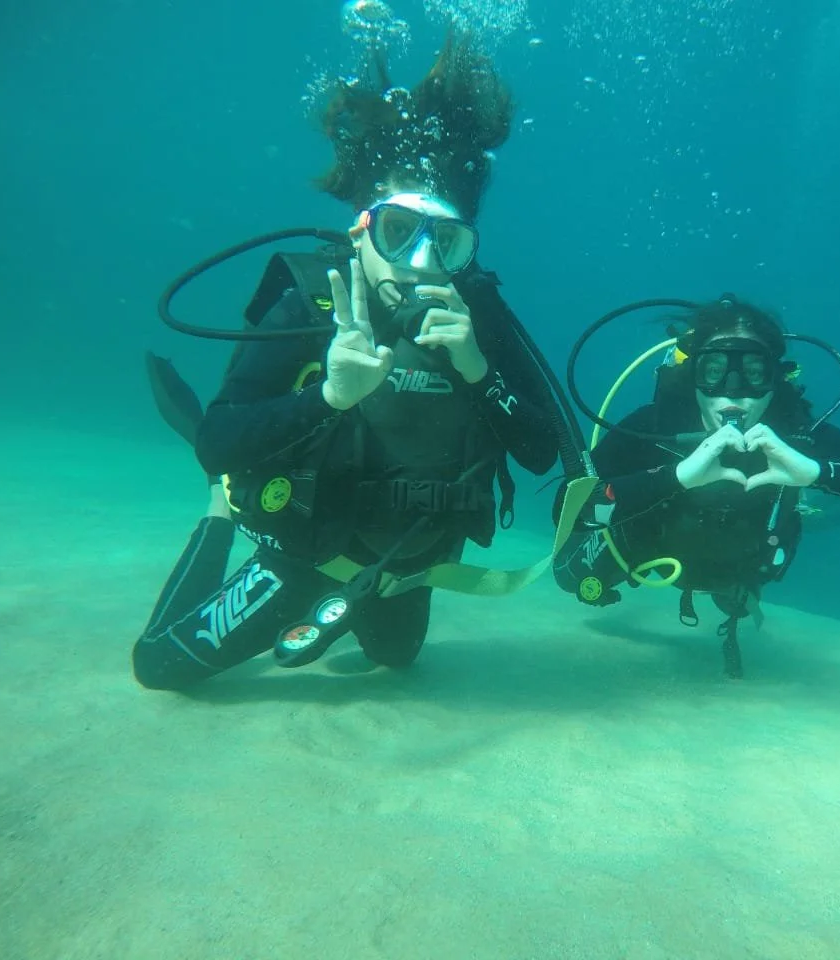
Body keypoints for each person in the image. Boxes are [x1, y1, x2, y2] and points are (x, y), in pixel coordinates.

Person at [134, 34, 562, 690]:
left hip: (407, 564)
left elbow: (541, 452)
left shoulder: (480, 318)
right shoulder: (310, 306)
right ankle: (219, 513)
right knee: (160, 667)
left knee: (395, 658)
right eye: (398, 232)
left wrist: (479, 371)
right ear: (361, 230)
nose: (420, 263)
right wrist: (329, 396)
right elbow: (217, 443)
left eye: (445, 242)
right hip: (305, 554)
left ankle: (346, 611)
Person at [553, 295, 840, 676]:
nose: (732, 391)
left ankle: (743, 581)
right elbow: (565, 509)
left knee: (737, 596)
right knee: (568, 576)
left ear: (774, 379)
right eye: (714, 370)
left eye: (753, 372)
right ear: (694, 375)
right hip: (649, 546)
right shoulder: (656, 426)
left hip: (740, 562)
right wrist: (674, 478)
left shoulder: (795, 434)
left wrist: (818, 473)